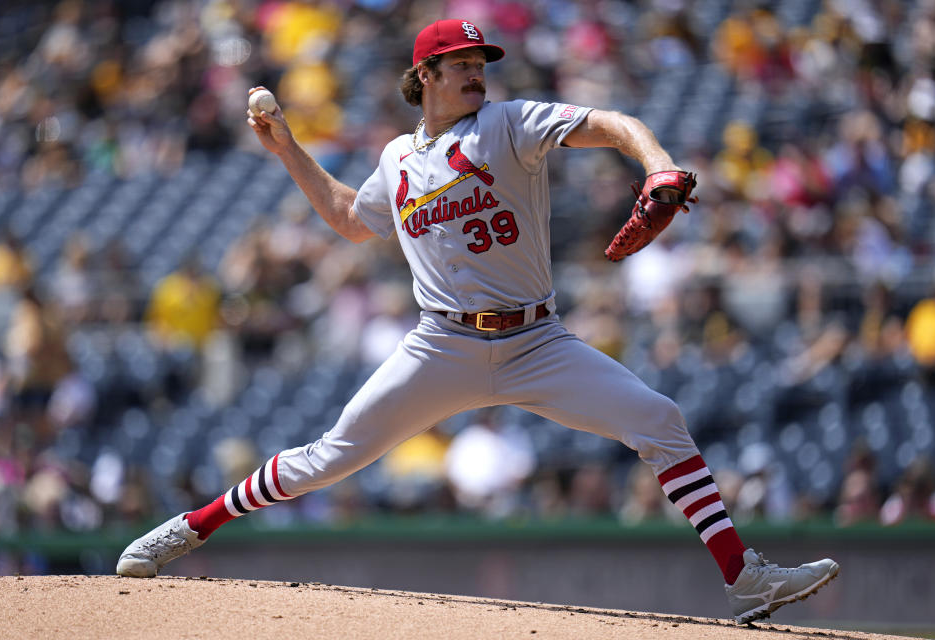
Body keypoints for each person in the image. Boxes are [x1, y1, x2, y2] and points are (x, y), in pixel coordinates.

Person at [117, 19, 839, 624]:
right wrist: (288, 150)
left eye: (479, 63)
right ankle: (187, 529)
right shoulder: (399, 157)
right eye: (459, 65)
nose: (475, 75)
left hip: (536, 340)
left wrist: (657, 166)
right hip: (443, 343)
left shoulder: (509, 123)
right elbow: (347, 218)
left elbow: (616, 125)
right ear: (424, 76)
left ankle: (745, 579)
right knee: (330, 457)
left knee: (660, 419)